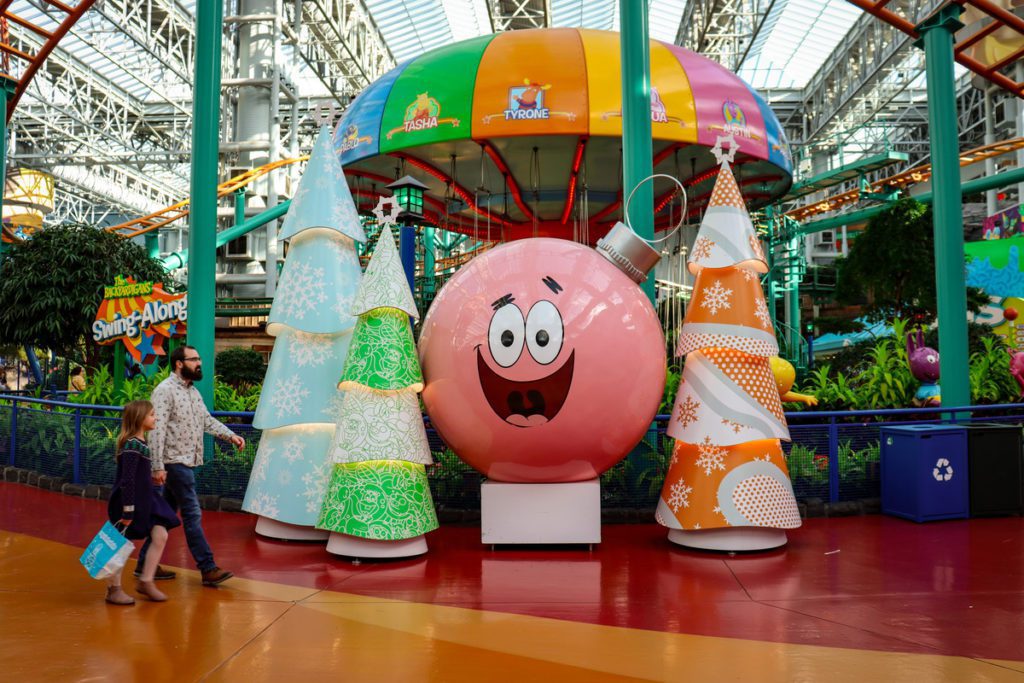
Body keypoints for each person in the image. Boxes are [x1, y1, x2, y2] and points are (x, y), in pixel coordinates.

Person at [136, 345, 245, 586]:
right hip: (174, 463)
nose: (199, 364)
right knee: (192, 513)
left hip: (186, 461)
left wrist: (231, 436)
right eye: (194, 359)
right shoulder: (164, 391)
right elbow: (157, 429)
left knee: (164, 516)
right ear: (179, 363)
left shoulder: (192, 392)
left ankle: (145, 563)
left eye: (199, 359)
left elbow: (206, 420)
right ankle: (207, 567)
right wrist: (157, 466)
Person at [106, 400, 181, 604]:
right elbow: (127, 479)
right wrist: (127, 511)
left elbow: (136, 475)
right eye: (152, 414)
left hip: (144, 499)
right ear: (140, 418)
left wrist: (151, 478)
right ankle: (114, 588)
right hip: (129, 502)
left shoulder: (140, 444)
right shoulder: (132, 445)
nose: (155, 418)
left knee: (160, 533)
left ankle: (146, 580)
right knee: (121, 542)